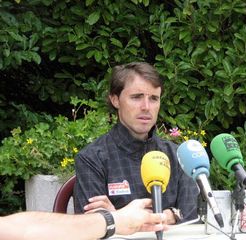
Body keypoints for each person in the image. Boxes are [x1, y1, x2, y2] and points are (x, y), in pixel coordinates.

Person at [74, 62, 199, 224]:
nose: (146, 107)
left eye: (154, 98)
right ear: (115, 100)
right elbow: (91, 226)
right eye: (136, 97)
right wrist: (170, 215)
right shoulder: (92, 158)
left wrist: (117, 217)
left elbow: (193, 218)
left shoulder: (178, 156)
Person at [0, 198, 167, 240]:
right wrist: (115, 219)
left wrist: (115, 219)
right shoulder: (92, 155)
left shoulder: (173, 153)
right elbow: (23, 232)